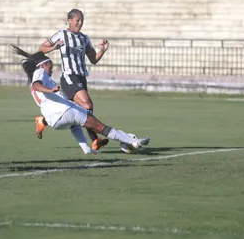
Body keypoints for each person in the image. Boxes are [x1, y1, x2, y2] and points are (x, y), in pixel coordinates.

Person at [12, 44, 150, 154]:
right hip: (64, 112)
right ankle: (133, 141)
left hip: (55, 121)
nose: (51, 69)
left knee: (75, 123)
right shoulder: (40, 72)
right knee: (100, 127)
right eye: (50, 66)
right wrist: (51, 90)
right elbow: (37, 85)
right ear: (42, 65)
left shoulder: (38, 78)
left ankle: (87, 149)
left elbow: (35, 87)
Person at [38, 9, 110, 151]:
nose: (80, 23)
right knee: (87, 105)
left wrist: (102, 50)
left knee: (70, 109)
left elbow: (93, 59)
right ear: (69, 20)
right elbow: (41, 48)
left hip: (82, 78)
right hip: (69, 77)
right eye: (77, 20)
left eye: (82, 20)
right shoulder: (62, 34)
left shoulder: (84, 38)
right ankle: (95, 139)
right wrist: (54, 47)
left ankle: (43, 121)